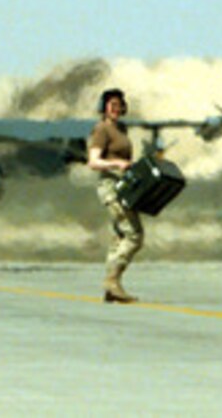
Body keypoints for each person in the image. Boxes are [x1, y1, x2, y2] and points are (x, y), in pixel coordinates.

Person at [86, 88, 143, 303]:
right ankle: (112, 279)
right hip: (111, 186)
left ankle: (112, 289)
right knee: (134, 235)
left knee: (119, 237)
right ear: (103, 107)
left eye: (119, 105)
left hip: (123, 186)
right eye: (111, 104)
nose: (116, 108)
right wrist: (117, 163)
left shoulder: (121, 130)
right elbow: (93, 161)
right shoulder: (102, 130)